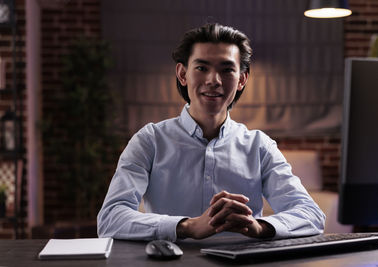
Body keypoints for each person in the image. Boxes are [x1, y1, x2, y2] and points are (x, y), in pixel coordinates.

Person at [97, 23, 325, 241]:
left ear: (242, 79)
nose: (213, 80)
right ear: (183, 74)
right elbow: (110, 219)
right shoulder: (150, 141)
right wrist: (186, 226)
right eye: (202, 68)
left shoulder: (259, 146)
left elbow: (311, 215)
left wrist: (258, 227)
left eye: (226, 70)